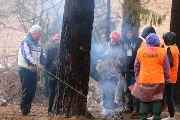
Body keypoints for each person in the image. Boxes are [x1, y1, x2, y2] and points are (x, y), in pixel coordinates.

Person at [129, 33, 170, 120]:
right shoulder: (162, 52)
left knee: (143, 99)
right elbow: (166, 67)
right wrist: (167, 78)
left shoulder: (140, 51)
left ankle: (143, 117)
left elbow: (136, 66)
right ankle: (156, 117)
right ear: (157, 42)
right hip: (158, 80)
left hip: (144, 79)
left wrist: (136, 76)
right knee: (157, 98)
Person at [18, 25, 46, 115]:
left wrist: (46, 64)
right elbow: (27, 56)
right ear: (34, 32)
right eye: (39, 31)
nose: (41, 33)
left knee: (33, 90)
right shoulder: (26, 42)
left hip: (33, 70)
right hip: (25, 70)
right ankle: (25, 111)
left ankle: (28, 109)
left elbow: (42, 56)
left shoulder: (39, 44)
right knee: (27, 89)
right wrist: (36, 64)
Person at [99, 31, 126, 117]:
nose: (115, 42)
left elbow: (123, 58)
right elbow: (100, 55)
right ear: (110, 39)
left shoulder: (121, 47)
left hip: (115, 72)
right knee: (105, 89)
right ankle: (105, 108)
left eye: (116, 40)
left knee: (113, 88)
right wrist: (105, 54)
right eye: (113, 40)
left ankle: (110, 106)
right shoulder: (105, 46)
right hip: (105, 71)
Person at [132, 26, 156, 117]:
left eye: (146, 36)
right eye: (144, 37)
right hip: (143, 73)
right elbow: (137, 62)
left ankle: (150, 110)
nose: (145, 38)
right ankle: (138, 109)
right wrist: (137, 73)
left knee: (151, 93)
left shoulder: (160, 45)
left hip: (153, 74)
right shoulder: (142, 44)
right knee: (140, 92)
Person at [120, 25, 143, 113]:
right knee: (126, 88)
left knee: (136, 88)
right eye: (127, 33)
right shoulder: (121, 41)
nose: (129, 34)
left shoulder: (138, 41)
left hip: (136, 69)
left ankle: (137, 108)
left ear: (133, 33)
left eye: (130, 32)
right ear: (124, 33)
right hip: (125, 68)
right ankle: (129, 106)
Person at [161, 32, 179, 120]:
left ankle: (171, 116)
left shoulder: (169, 49)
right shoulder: (175, 48)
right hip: (172, 75)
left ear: (168, 40)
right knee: (165, 95)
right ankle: (159, 114)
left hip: (167, 77)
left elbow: (169, 64)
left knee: (167, 96)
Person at [45, 33, 61, 116]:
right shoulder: (64, 49)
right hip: (61, 73)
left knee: (52, 91)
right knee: (60, 91)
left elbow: (47, 63)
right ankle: (57, 110)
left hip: (53, 72)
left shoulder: (50, 49)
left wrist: (48, 71)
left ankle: (50, 111)